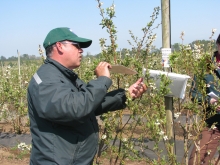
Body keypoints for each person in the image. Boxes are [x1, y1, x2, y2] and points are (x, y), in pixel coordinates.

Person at [27, 27, 147, 165]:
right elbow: (76, 108)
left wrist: (125, 95)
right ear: (59, 46)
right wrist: (102, 80)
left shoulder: (64, 76)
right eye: (76, 45)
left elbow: (90, 104)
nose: (81, 50)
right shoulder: (45, 80)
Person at [189, 34, 220, 165]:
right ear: (218, 45)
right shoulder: (206, 66)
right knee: (196, 161)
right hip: (213, 122)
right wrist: (210, 101)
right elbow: (194, 94)